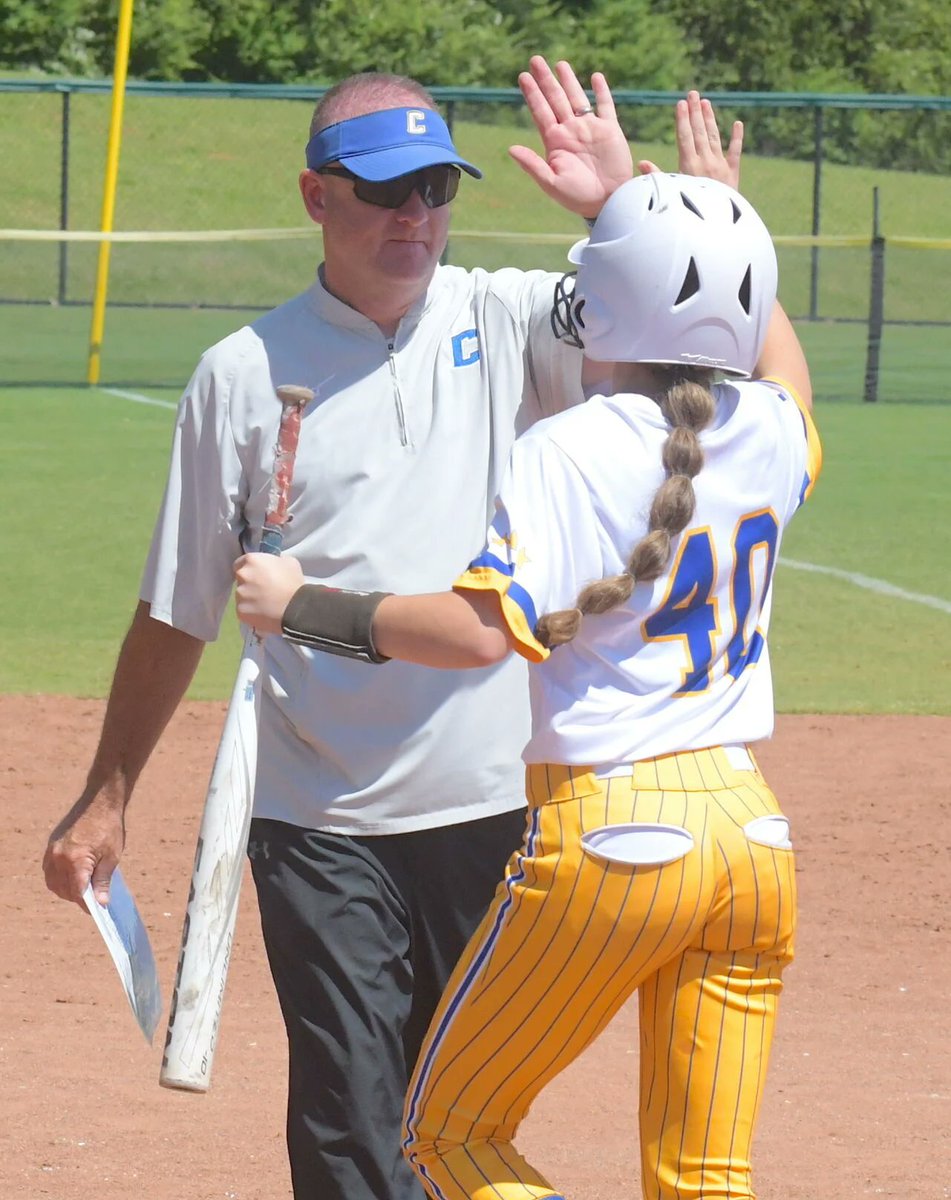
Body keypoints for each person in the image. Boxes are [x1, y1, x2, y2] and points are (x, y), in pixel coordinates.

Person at [43, 56, 740, 1200]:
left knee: (454, 1110)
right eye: (385, 191)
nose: (416, 216)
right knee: (351, 1115)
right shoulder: (240, 375)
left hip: (500, 803)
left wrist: (628, 203)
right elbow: (180, 606)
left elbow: (676, 334)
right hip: (320, 816)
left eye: (435, 188)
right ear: (317, 195)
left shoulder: (513, 314)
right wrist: (108, 792)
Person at [232, 167, 821, 1200]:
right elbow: (787, 376)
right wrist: (724, 238)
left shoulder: (572, 447)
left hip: (615, 835)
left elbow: (475, 635)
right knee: (706, 1176)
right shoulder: (768, 431)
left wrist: (304, 605)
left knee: (444, 1134)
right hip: (754, 840)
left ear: (604, 304)